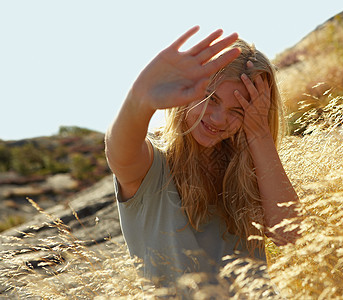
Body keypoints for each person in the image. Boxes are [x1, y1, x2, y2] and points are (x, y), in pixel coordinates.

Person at [105, 26, 299, 292]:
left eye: (237, 110)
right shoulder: (153, 168)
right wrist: (140, 97)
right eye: (211, 98)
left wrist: (260, 134)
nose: (219, 118)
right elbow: (118, 152)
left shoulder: (249, 169)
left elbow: (292, 236)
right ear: (188, 91)